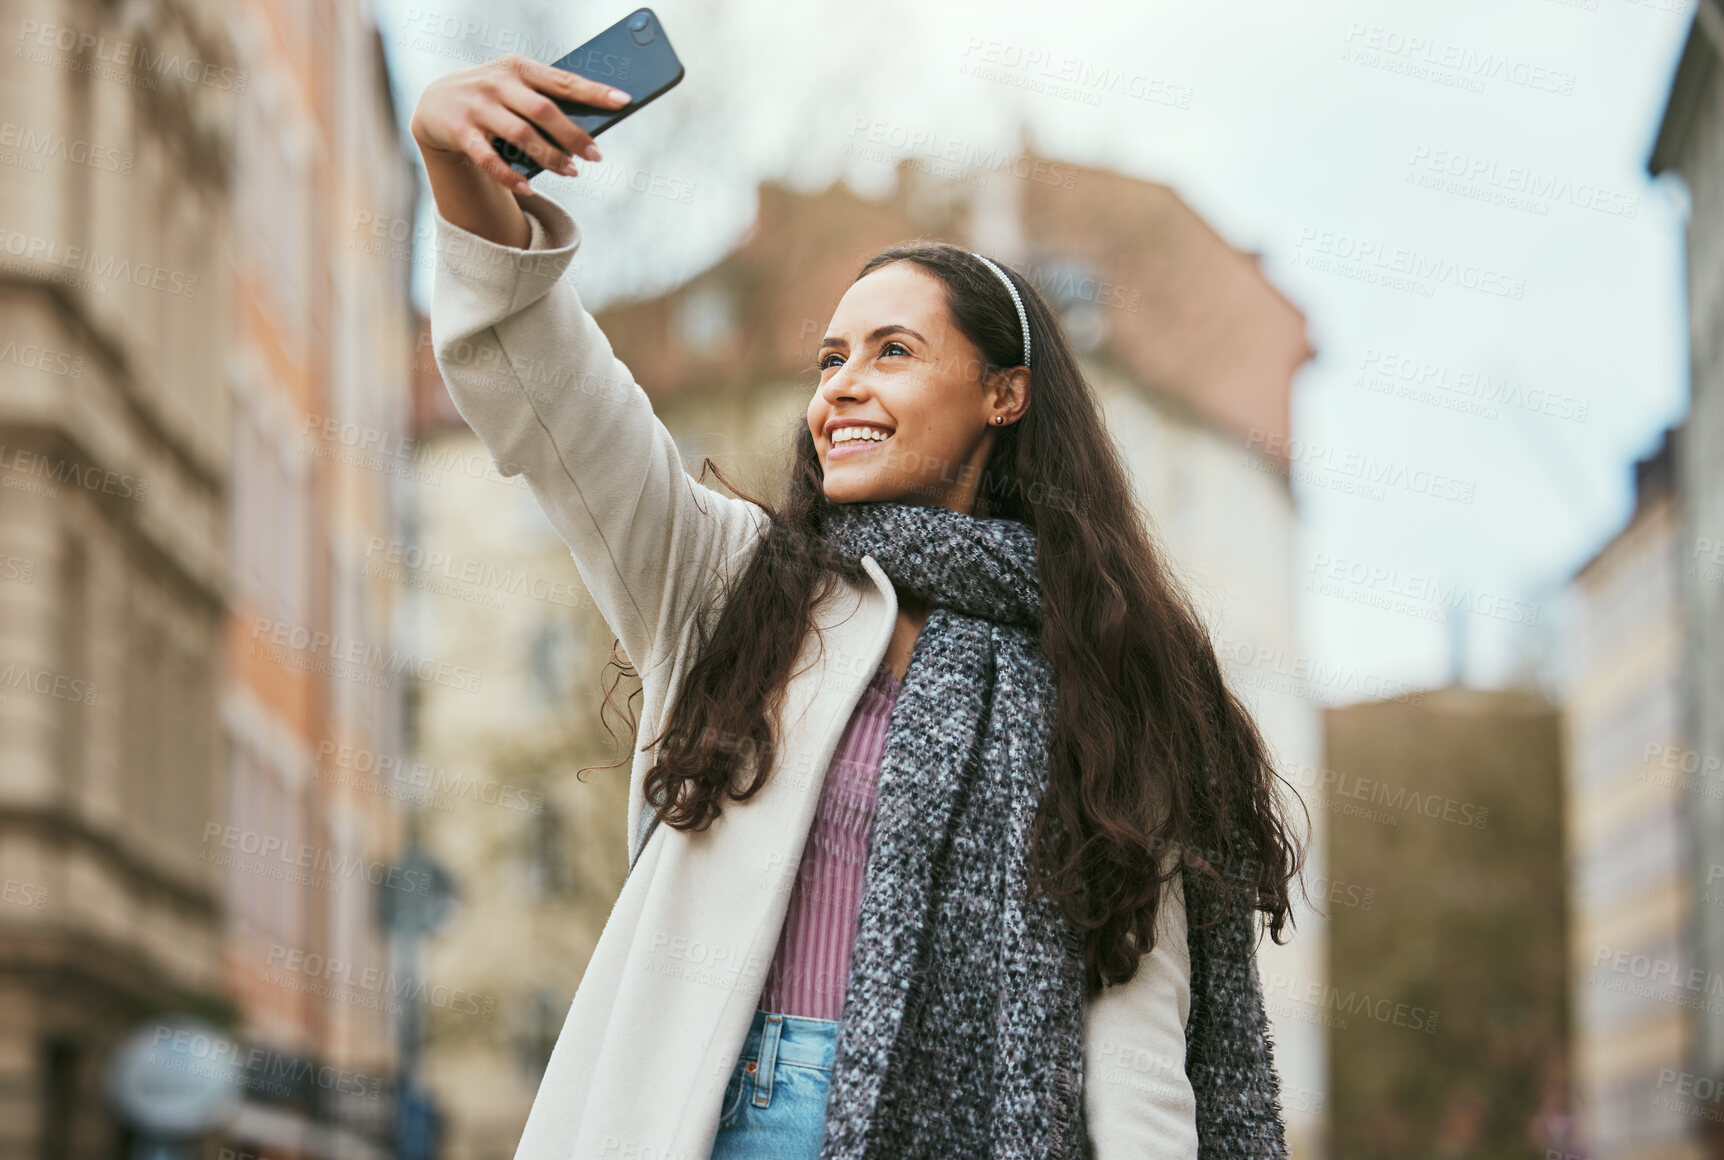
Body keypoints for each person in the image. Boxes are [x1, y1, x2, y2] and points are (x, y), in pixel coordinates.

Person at [411, 53, 1308, 1160]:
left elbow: (1136, 1015)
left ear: (1002, 392)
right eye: (830, 356)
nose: (841, 384)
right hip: (715, 1112)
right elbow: (559, 404)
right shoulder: (737, 586)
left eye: (893, 351)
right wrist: (458, 171)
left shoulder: (1111, 676)